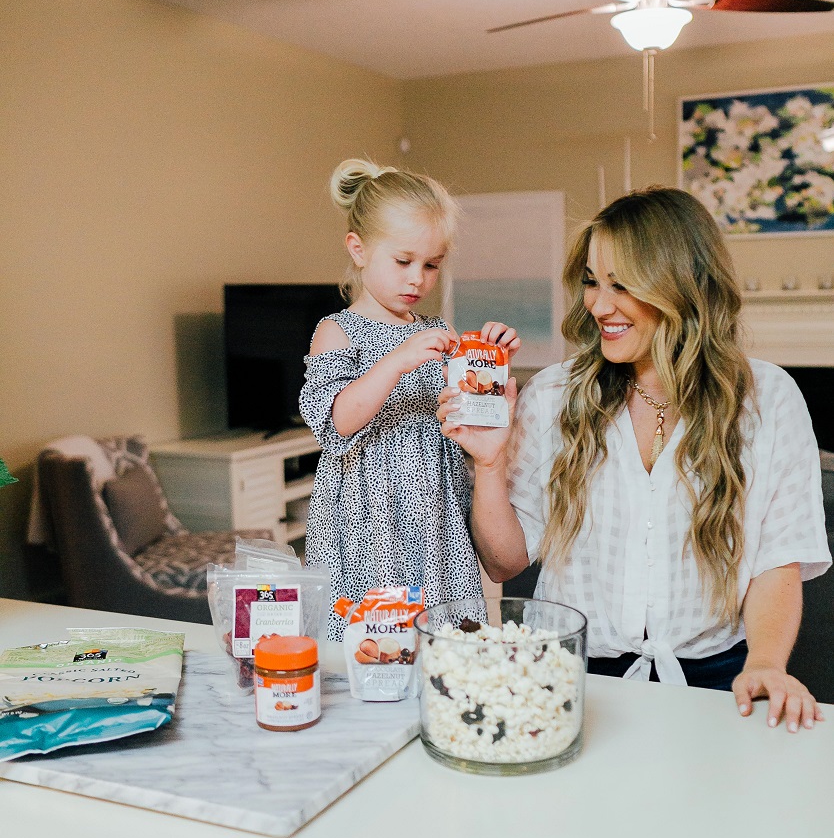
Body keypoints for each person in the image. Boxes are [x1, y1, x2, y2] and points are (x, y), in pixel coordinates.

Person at [439, 186, 831, 732]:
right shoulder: (554, 395)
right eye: (592, 282)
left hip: (720, 685)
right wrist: (488, 462)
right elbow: (506, 562)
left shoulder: (767, 398)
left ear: (681, 286)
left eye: (621, 285)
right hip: (570, 678)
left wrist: (765, 664)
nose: (598, 305)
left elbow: (778, 559)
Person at [300, 158, 520, 638]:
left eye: (432, 265)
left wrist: (489, 358)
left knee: (441, 641)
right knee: (374, 643)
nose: (417, 279)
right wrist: (397, 360)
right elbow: (335, 420)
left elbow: (464, 412)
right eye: (403, 262)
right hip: (368, 523)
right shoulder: (337, 332)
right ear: (358, 251)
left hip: (435, 516)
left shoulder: (436, 332)